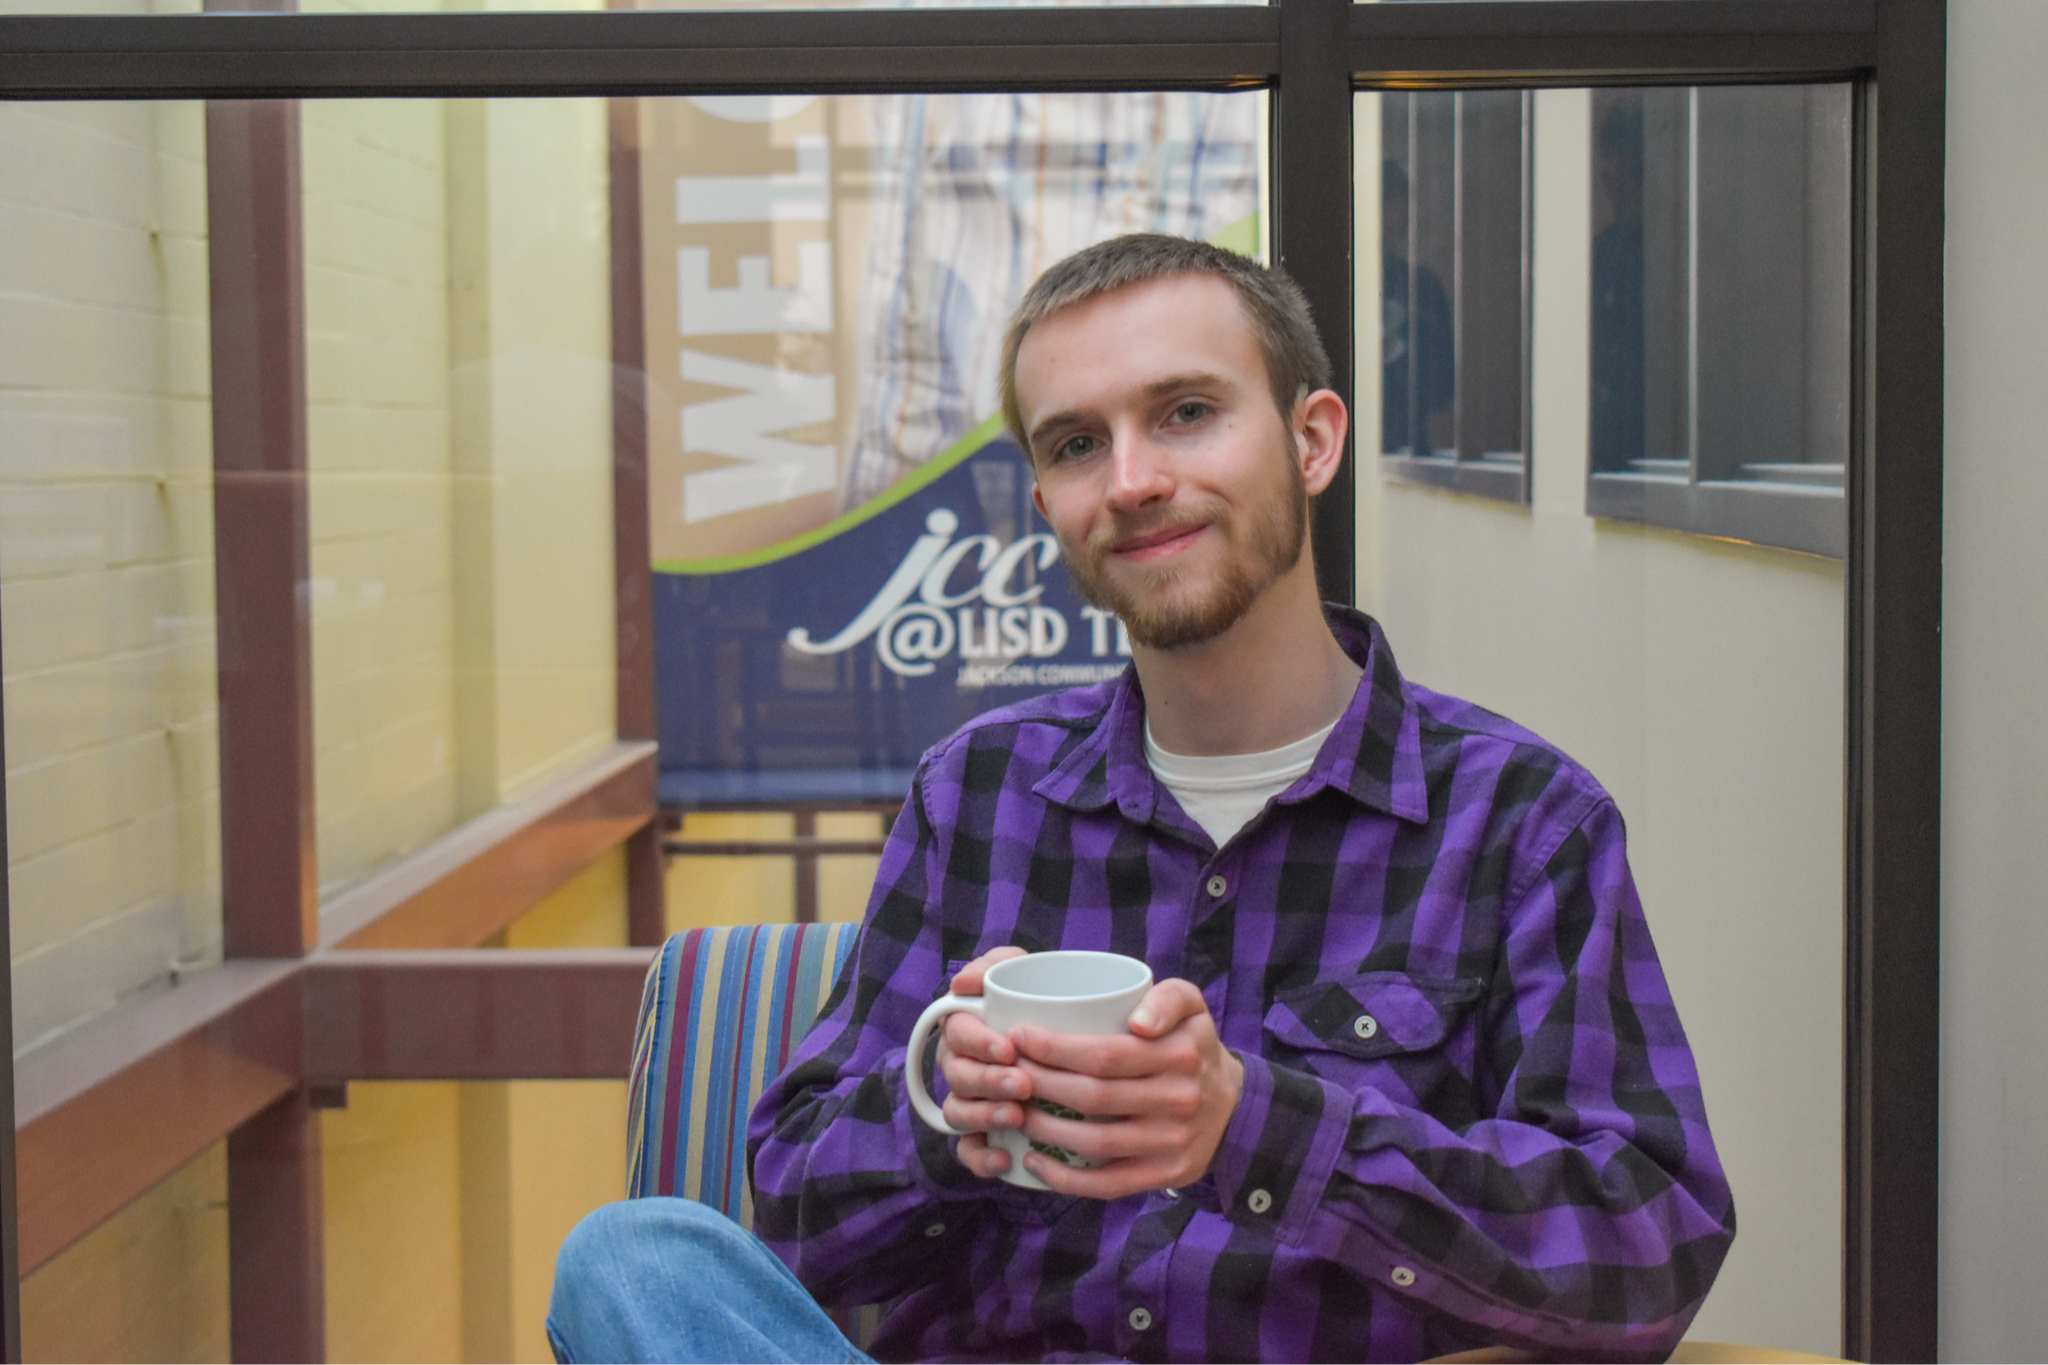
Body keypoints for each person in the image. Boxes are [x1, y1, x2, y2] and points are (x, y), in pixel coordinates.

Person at [548, 234, 1735, 1365]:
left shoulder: (1519, 821)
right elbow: (798, 1205)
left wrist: (1253, 1128)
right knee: (633, 1259)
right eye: (1073, 445)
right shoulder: (981, 789)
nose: (1130, 481)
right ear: (1045, 507)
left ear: (1310, 441)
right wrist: (944, 1125)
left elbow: (1649, 1242)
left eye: (1185, 413)